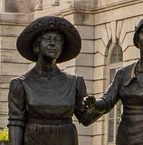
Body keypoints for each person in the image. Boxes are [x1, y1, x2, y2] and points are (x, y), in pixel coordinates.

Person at [8, 16, 103, 145]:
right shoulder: (21, 84)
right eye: (47, 39)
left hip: (66, 139)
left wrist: (96, 106)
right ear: (36, 46)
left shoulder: (74, 82)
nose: (52, 43)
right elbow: (16, 122)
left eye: (57, 40)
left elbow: (85, 118)